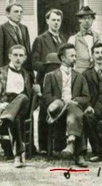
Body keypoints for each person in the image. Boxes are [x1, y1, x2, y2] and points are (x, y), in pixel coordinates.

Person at [0, 45, 40, 168]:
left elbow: (33, 99)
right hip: (3, 106)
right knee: (15, 118)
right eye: (15, 55)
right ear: (9, 56)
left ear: (25, 58)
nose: (18, 58)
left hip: (22, 105)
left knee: (23, 97)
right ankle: (17, 157)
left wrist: (37, 93)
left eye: (21, 55)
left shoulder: (28, 75)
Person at [42, 43, 89, 167]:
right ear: (63, 58)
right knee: (75, 111)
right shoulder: (50, 76)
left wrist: (74, 100)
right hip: (57, 110)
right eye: (72, 56)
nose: (75, 58)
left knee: (74, 108)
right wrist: (62, 102)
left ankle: (71, 143)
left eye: (75, 55)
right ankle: (79, 154)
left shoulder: (80, 77)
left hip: (73, 108)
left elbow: (86, 98)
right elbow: (46, 98)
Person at [31, 8, 66, 153]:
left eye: (58, 20)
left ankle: (58, 145)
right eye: (53, 20)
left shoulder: (63, 39)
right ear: (47, 21)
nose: (56, 23)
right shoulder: (40, 39)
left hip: (61, 79)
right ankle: (44, 146)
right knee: (45, 110)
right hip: (45, 79)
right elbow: (34, 61)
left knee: (60, 109)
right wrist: (48, 67)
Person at [67, 6, 102, 74]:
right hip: (80, 75)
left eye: (89, 18)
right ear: (79, 20)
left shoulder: (101, 38)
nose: (87, 20)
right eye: (84, 18)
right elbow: (69, 59)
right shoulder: (73, 39)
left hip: (96, 75)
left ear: (93, 20)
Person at [0, 3, 32, 75]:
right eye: (16, 11)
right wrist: (0, 75)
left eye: (21, 12)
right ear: (8, 14)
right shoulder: (1, 28)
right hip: (9, 71)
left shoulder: (24, 28)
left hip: (24, 71)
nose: (19, 14)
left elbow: (28, 52)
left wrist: (31, 75)